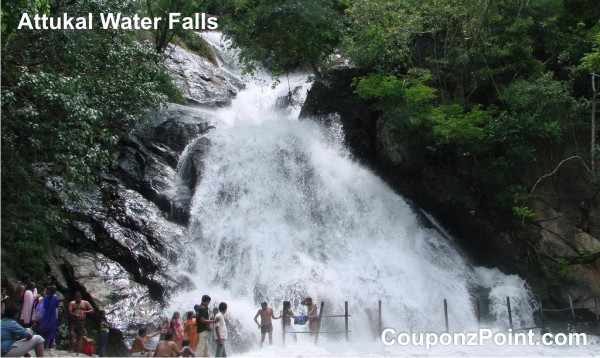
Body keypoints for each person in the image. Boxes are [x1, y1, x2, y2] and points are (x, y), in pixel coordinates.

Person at [35, 285, 61, 350]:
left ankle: (44, 345)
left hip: (45, 315)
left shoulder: (45, 297)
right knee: (52, 330)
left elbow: (41, 306)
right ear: (55, 291)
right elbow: (57, 306)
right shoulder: (56, 297)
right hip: (52, 315)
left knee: (44, 329)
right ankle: (50, 346)